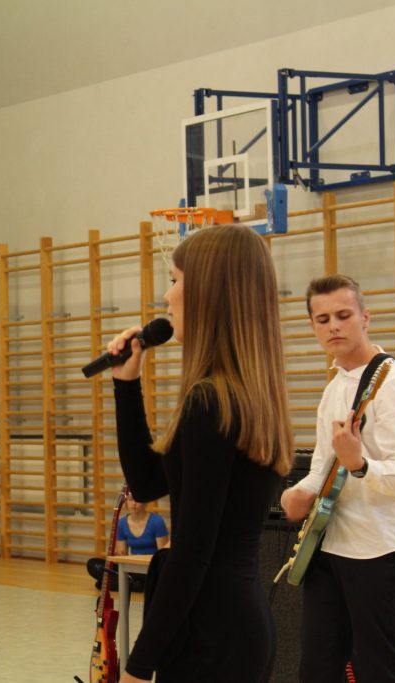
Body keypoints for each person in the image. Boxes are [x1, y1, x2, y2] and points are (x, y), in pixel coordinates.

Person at [106, 224, 294, 682]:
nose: (167, 297)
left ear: (208, 291)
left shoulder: (211, 401)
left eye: (174, 280)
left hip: (212, 634)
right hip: (231, 623)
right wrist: (127, 385)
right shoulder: (246, 395)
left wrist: (138, 665)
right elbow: (148, 484)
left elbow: (192, 554)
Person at [280, 274, 395, 682]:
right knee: (316, 668)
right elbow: (322, 468)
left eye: (343, 315)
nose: (333, 326)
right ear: (312, 326)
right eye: (323, 319)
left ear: (365, 318)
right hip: (329, 544)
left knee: (380, 669)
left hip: (380, 548)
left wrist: (361, 465)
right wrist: (299, 493)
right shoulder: (335, 387)